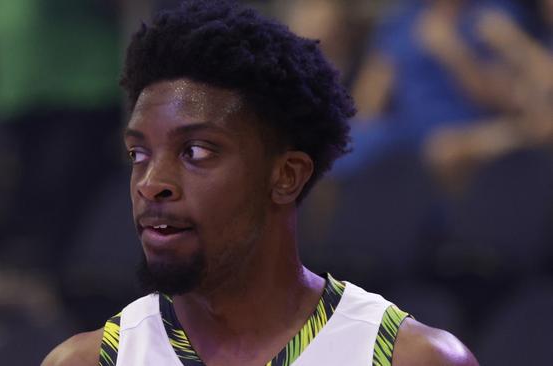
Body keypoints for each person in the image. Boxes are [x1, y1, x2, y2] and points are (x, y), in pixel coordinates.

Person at [42, 1, 478, 365]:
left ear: (286, 177)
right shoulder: (86, 361)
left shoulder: (412, 358)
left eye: (195, 152)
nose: (151, 184)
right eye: (139, 154)